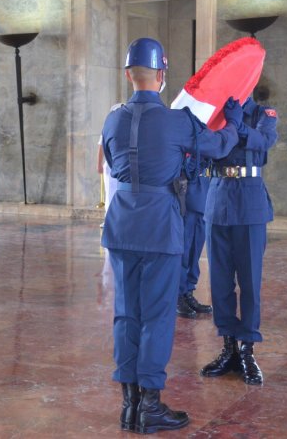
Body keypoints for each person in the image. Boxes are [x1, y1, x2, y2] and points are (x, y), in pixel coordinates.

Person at [101, 38, 241, 434]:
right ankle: (150, 405)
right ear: (161, 76)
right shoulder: (178, 121)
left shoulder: (112, 120)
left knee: (126, 313)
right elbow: (218, 145)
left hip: (122, 223)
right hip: (159, 225)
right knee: (157, 316)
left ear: (129, 74)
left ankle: (128, 407)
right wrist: (231, 120)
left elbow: (113, 165)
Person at [200, 94, 278, 386]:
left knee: (249, 281)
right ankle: (228, 346)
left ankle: (247, 349)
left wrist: (237, 126)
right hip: (218, 198)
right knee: (219, 282)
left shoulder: (263, 113)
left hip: (249, 201)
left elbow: (264, 141)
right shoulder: (217, 112)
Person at [175, 155, 213, 319]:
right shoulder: (186, 133)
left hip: (203, 198)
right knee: (184, 251)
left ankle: (188, 292)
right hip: (188, 199)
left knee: (195, 253)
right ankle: (178, 295)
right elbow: (187, 168)